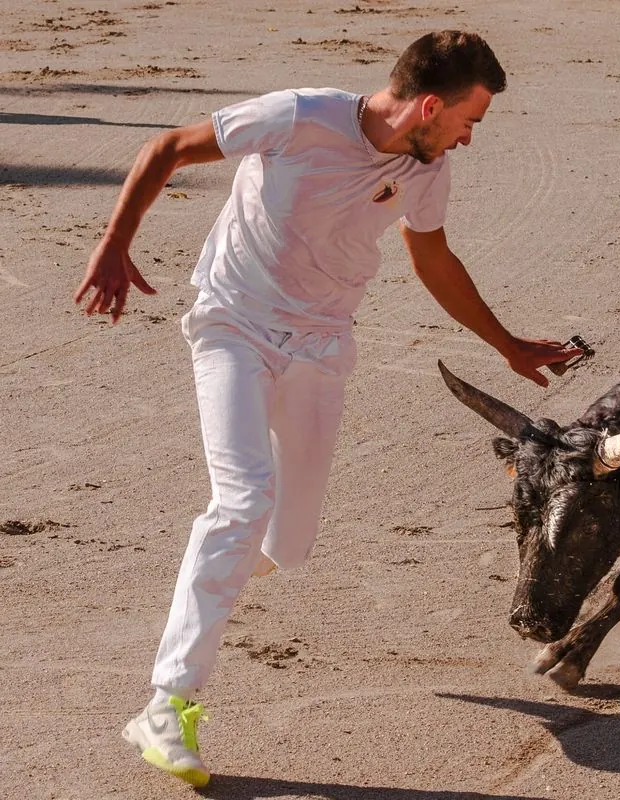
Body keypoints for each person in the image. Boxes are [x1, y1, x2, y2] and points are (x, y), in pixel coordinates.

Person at [74, 30, 581, 788]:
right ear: (431, 104)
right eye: (469, 121)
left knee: (289, 544)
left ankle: (203, 586)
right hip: (233, 324)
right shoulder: (298, 117)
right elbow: (170, 147)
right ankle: (167, 703)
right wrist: (114, 244)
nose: (469, 139)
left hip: (320, 345)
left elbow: (433, 259)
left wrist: (505, 343)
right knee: (241, 503)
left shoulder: (424, 167)